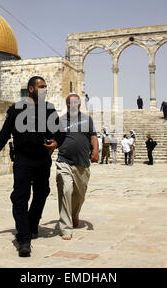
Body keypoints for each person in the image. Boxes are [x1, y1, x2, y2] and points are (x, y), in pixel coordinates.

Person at [0, 76, 62, 258]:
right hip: (23, 160)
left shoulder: (49, 109)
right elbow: (4, 134)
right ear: (31, 89)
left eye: (45, 87)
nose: (44, 90)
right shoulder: (16, 109)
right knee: (20, 197)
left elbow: (59, 133)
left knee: (42, 192)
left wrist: (56, 143)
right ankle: (24, 238)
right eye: (41, 87)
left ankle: (32, 223)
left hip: (42, 159)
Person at [55, 93, 99, 240]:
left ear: (79, 104)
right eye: (69, 103)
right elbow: (54, 139)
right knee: (66, 190)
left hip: (82, 163)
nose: (72, 105)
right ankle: (66, 228)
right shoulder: (60, 121)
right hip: (64, 160)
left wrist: (96, 151)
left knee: (80, 195)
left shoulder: (87, 120)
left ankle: (74, 213)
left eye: (75, 103)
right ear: (66, 105)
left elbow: (93, 136)